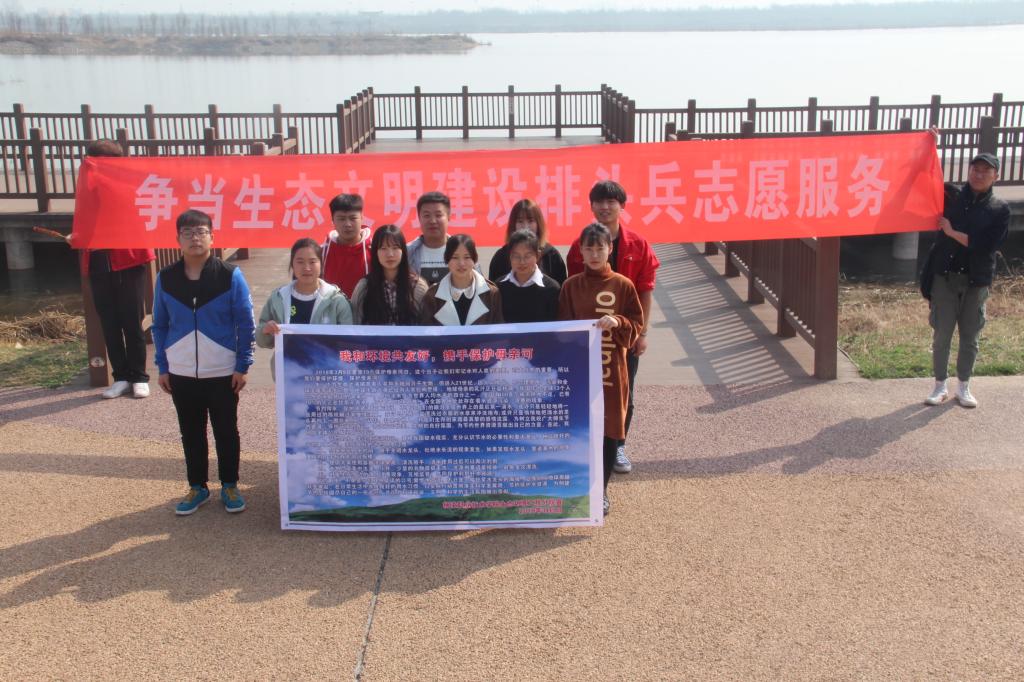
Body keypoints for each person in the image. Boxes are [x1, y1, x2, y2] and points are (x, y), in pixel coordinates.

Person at [152, 209, 255, 516]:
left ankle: (230, 484)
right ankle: (197, 487)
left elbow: (245, 323)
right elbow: (160, 324)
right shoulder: (166, 278)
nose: (195, 238)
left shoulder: (230, 275)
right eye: (188, 233)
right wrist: (162, 366)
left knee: (226, 430)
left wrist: (242, 365)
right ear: (178, 239)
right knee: (191, 432)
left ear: (212, 237)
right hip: (181, 369)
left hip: (222, 369)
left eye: (201, 232)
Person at [566, 180, 659, 474]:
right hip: (590, 337)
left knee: (624, 390)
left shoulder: (638, 244)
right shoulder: (579, 246)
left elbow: (645, 290)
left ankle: (618, 445)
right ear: (591, 206)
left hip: (623, 333)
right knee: (586, 390)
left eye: (611, 202)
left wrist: (641, 332)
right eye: (599, 202)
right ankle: (589, 445)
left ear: (622, 206)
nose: (605, 207)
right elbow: (574, 289)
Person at [559, 223, 644, 516]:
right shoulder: (571, 286)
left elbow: (636, 324)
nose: (594, 254)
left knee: (608, 429)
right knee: (581, 428)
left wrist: (618, 322)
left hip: (612, 371)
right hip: (579, 372)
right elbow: (562, 328)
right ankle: (579, 486)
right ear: (580, 252)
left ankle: (602, 490)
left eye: (600, 248)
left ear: (610, 249)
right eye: (589, 248)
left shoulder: (623, 285)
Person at [921, 152, 1009, 408]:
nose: (979, 175)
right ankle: (940, 385)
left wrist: (951, 232)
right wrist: (929, 144)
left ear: (996, 176)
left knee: (970, 336)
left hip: (976, 280)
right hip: (945, 277)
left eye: (985, 171)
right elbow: (925, 178)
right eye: (975, 169)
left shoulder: (1000, 209)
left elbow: (986, 246)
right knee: (942, 334)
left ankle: (963, 386)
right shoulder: (952, 195)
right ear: (968, 171)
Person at [75, 138, 156, 399]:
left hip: (129, 259)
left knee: (131, 321)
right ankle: (120, 376)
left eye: (98, 162)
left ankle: (139, 376)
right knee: (109, 323)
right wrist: (77, 236)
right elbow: (84, 220)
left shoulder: (130, 183)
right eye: (90, 162)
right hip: (98, 261)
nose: (92, 167)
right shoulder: (87, 186)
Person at [256, 238, 353, 379]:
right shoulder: (278, 298)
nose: (306, 268)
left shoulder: (336, 300)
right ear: (292, 265)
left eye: (312, 262)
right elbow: (261, 339)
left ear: (321, 264)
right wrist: (266, 330)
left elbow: (350, 340)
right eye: (300, 262)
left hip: (326, 376)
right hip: (288, 377)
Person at [350, 224, 429, 325]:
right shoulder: (364, 287)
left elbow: (426, 325)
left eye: (395, 248)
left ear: (403, 251)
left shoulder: (417, 286)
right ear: (375, 252)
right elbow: (355, 324)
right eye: (383, 248)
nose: (390, 254)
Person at [420, 234, 503, 326]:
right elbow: (426, 332)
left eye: (467, 257)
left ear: (474, 259)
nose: (461, 263)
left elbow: (498, 330)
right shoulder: (432, 296)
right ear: (447, 259)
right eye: (455, 257)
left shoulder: (491, 294)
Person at [488, 198, 568, 285]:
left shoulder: (552, 256)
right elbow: (493, 290)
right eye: (520, 221)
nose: (525, 226)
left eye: (530, 221)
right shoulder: (500, 257)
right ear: (513, 225)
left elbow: (561, 289)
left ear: (538, 224)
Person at [497, 229, 561, 323]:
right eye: (516, 256)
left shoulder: (552, 288)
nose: (522, 262)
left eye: (527, 256)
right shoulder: (499, 287)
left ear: (538, 255)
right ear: (509, 256)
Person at [320, 193, 372, 298]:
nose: (348, 224)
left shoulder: (375, 250)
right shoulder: (322, 253)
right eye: (341, 219)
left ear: (362, 218)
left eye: (353, 218)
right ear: (333, 220)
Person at [407, 191, 454, 286]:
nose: (432, 221)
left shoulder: (462, 250)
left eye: (438, 215)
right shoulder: (408, 252)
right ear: (419, 218)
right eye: (427, 215)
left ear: (449, 217)